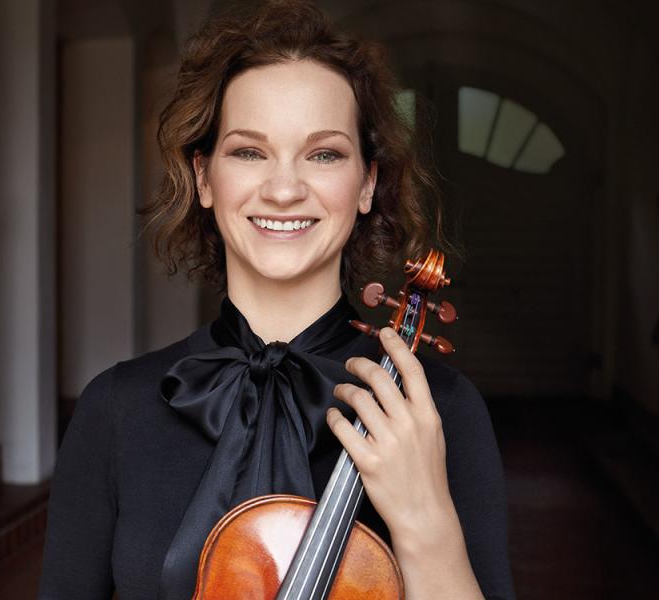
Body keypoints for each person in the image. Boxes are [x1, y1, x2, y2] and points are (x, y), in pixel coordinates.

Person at [39, 1, 515, 599]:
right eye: (248, 151)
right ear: (205, 177)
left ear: (367, 182)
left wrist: (426, 524)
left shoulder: (436, 409)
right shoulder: (115, 407)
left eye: (324, 154)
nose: (285, 189)